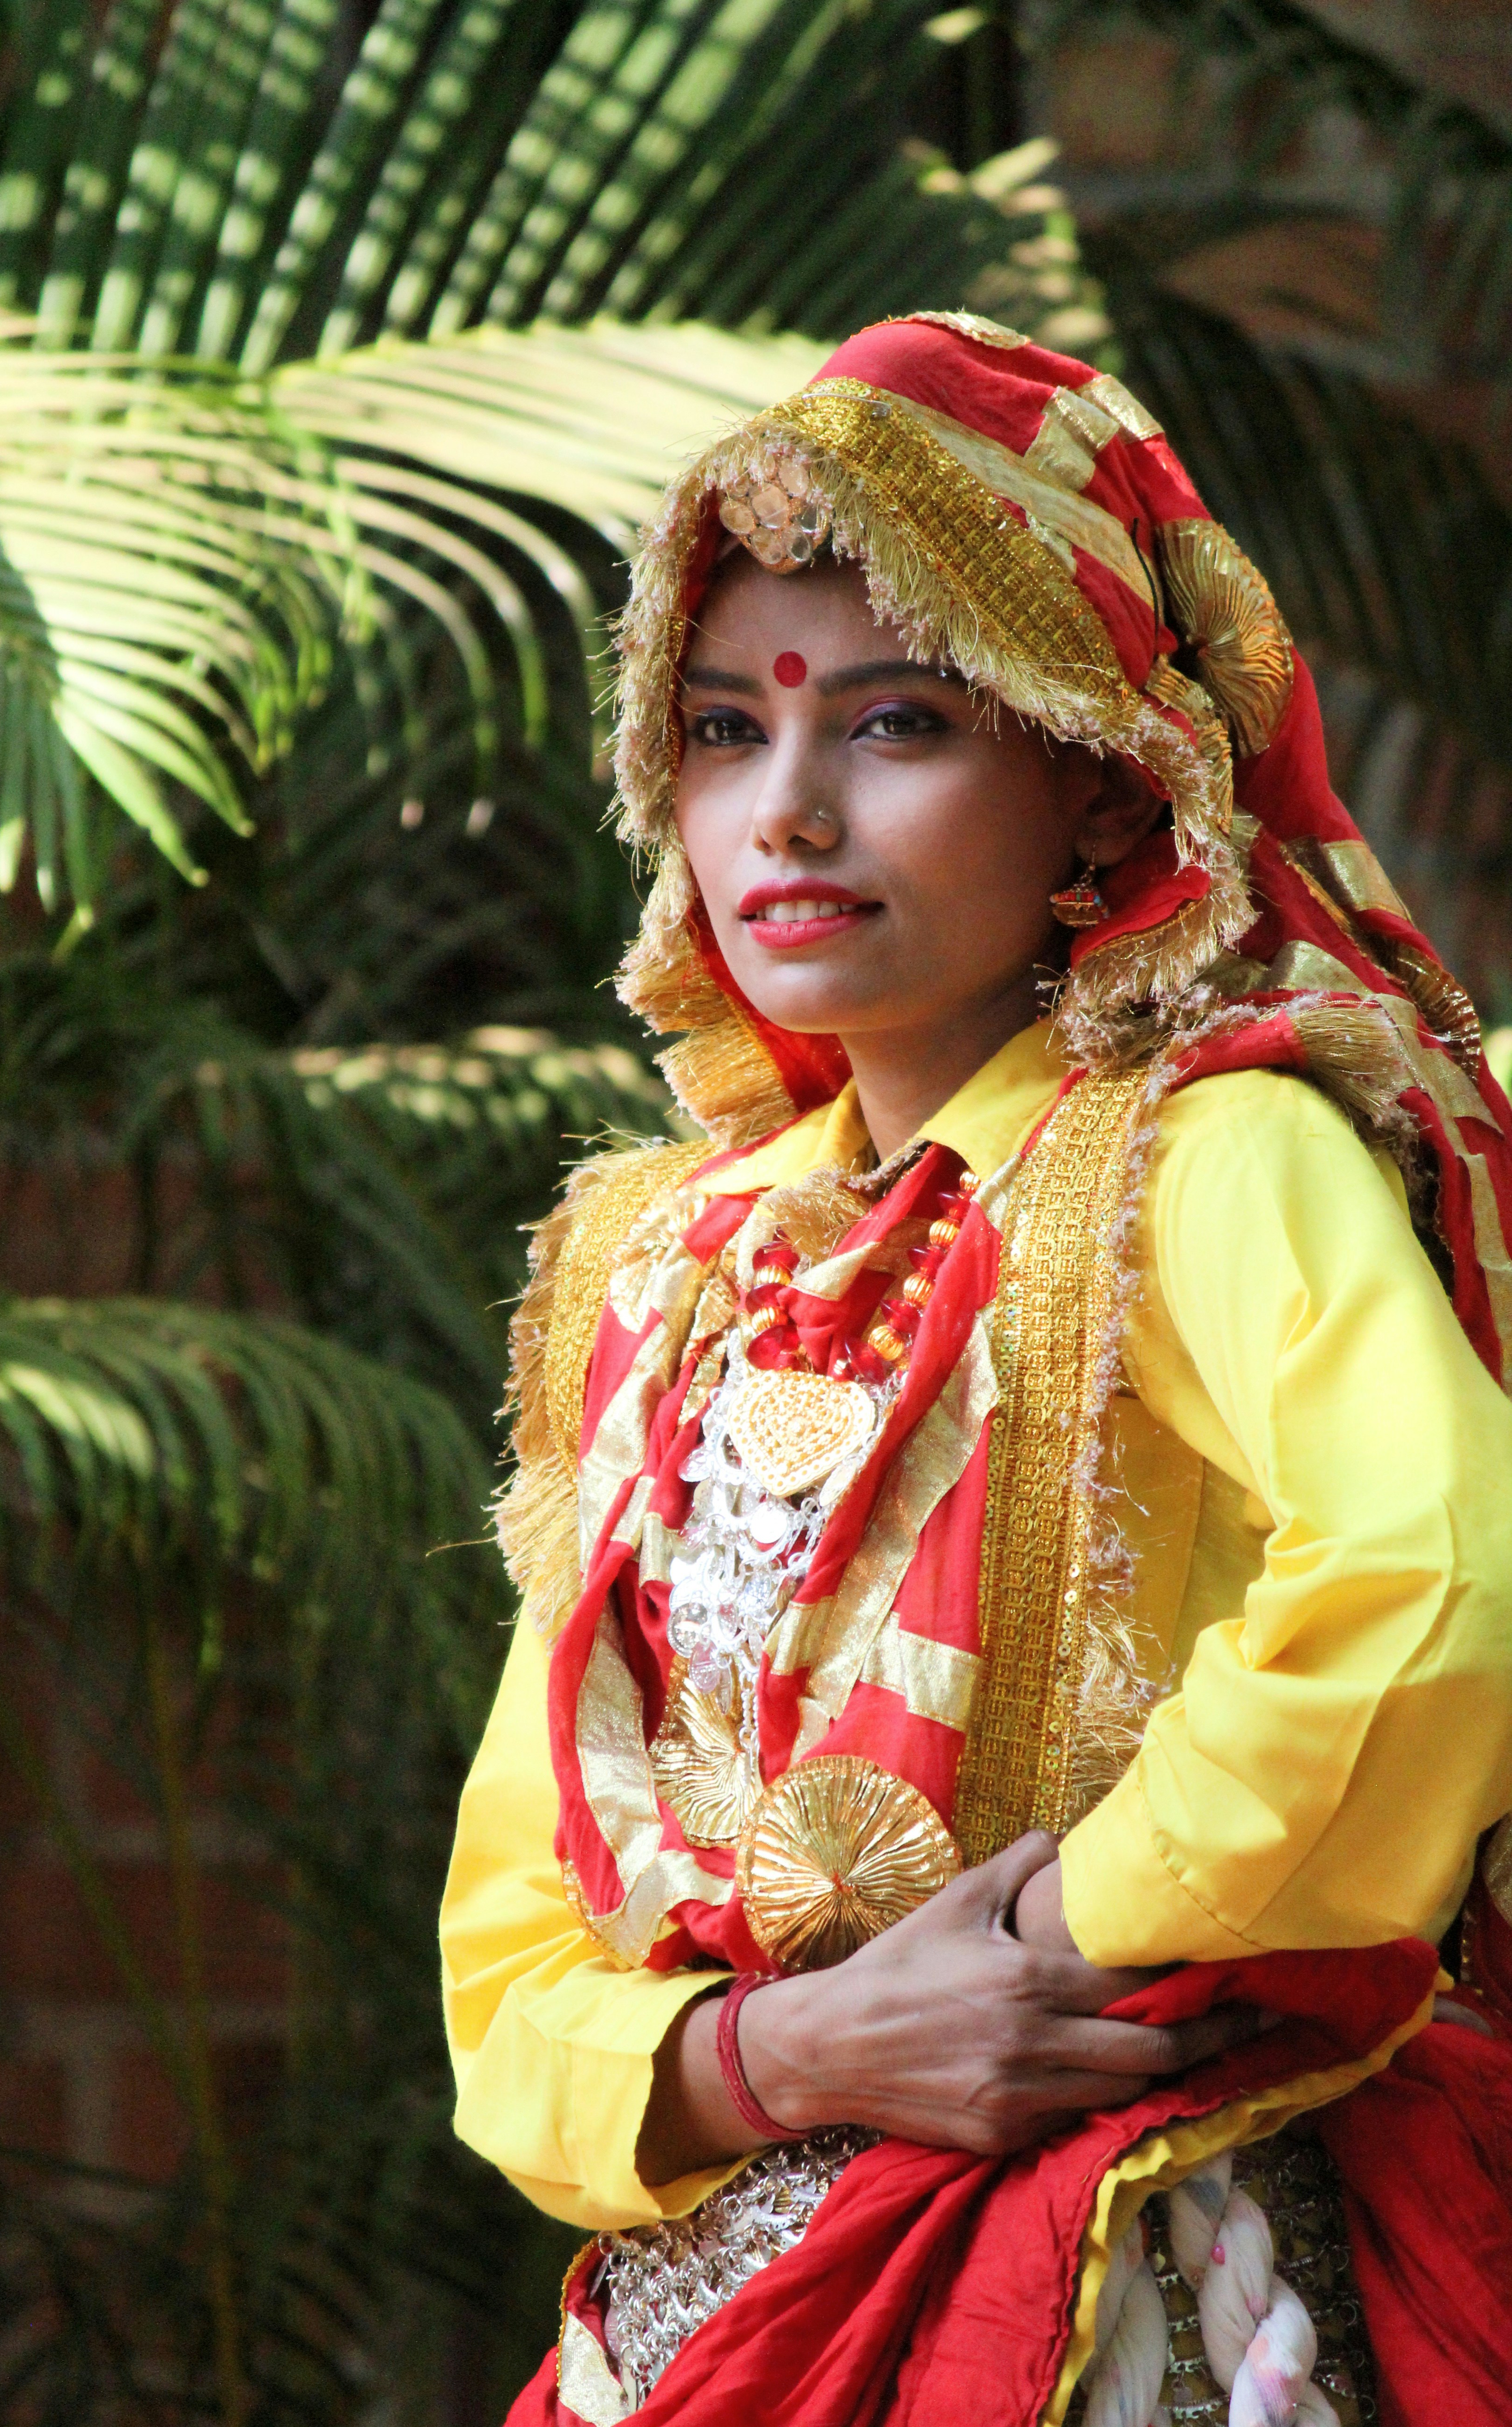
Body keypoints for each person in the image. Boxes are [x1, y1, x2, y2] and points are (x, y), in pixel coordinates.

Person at [440, 314, 1512, 2427]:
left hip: (1144, 2289)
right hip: (709, 2322)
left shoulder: (1205, 1154)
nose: (792, 811)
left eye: (900, 722)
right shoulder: (659, 1263)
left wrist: (1069, 1949)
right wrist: (796, 2052)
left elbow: (1442, 1572)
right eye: (728, 728)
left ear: (1101, 775)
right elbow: (512, 1939)